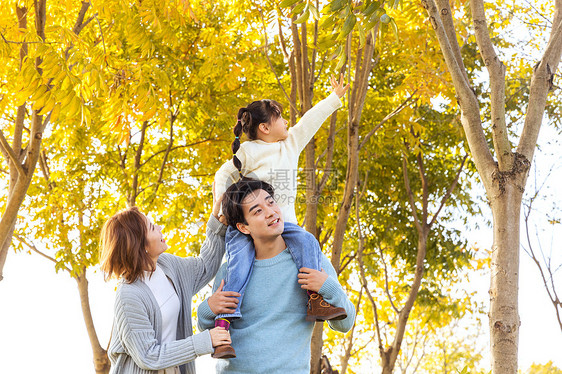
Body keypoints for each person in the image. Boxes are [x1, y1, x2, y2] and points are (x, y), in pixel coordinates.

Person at [210, 76, 350, 358]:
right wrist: (222, 207)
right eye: (281, 117)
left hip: (284, 223)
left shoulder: (290, 144)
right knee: (238, 266)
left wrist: (334, 99)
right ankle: (224, 324)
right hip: (247, 228)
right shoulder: (248, 152)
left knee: (308, 242)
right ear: (264, 127)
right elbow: (224, 174)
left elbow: (311, 121)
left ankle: (315, 301)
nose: (287, 121)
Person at [197, 179, 356, 373]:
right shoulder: (230, 272)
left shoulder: (313, 262)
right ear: (243, 227)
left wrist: (327, 287)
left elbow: (344, 324)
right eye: (257, 211)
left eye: (271, 202)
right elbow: (210, 334)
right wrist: (207, 309)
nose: (271, 212)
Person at [99, 195, 231, 374]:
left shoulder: (167, 265)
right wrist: (205, 341)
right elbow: (148, 356)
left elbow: (205, 267)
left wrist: (217, 221)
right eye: (152, 227)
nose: (160, 228)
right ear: (140, 245)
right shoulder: (129, 295)